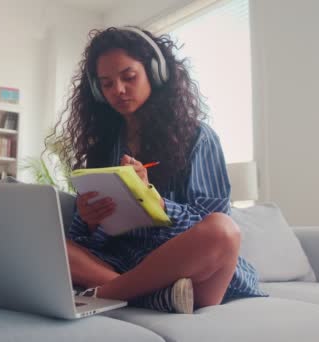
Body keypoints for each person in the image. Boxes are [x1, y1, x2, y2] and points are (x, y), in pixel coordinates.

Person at [47, 26, 266, 314]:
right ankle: (158, 296)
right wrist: (88, 221)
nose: (118, 90)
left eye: (128, 77)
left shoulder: (198, 137)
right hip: (124, 260)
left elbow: (209, 220)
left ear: (156, 72)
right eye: (107, 84)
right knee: (52, 245)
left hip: (187, 265)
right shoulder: (104, 147)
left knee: (222, 231)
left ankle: (113, 292)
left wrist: (154, 200)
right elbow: (86, 241)